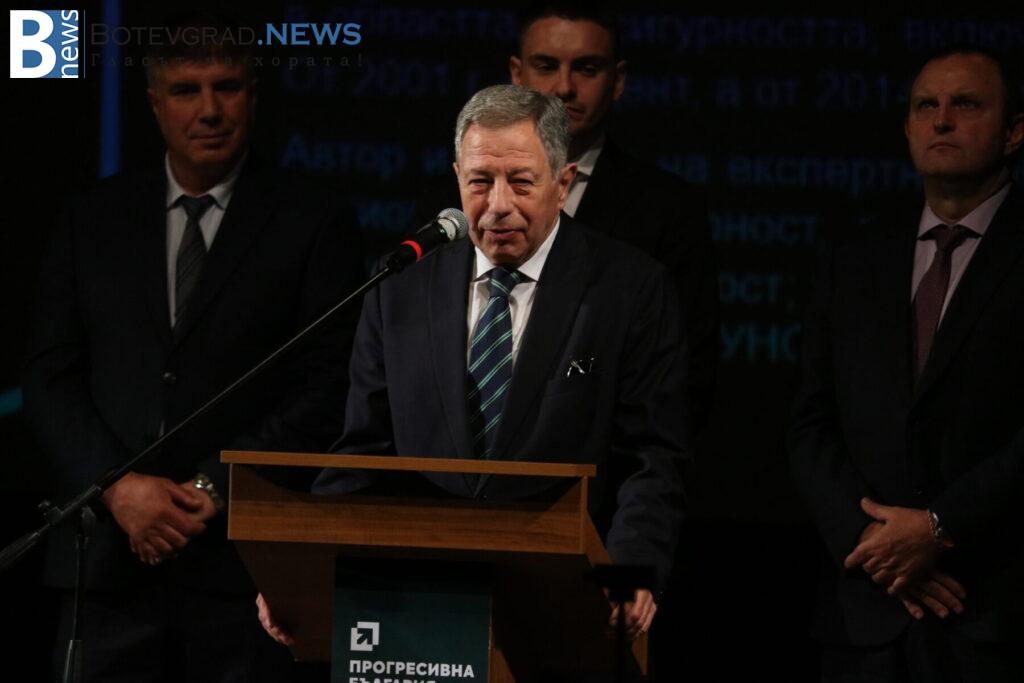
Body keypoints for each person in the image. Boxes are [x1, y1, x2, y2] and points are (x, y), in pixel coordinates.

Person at [259, 84, 690, 648]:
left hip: (565, 599)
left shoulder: (629, 289)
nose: (498, 204)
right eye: (480, 181)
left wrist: (633, 566)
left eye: (521, 182)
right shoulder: (399, 286)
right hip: (422, 602)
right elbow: (364, 452)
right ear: (457, 177)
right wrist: (304, 568)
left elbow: (651, 457)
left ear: (563, 183)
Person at [22, 14, 362, 681]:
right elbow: (49, 374)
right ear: (155, 102)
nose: (209, 109)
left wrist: (214, 486)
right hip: (109, 564)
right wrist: (116, 487)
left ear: (252, 95)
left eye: (226, 87)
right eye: (186, 90)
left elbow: (329, 381)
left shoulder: (312, 218)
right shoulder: (92, 217)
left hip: (244, 571)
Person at [788, 46, 1024, 681]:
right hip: (864, 611)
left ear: (1013, 132)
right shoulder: (855, 255)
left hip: (993, 610)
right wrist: (876, 546)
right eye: (926, 106)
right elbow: (810, 422)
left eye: (965, 104)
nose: (941, 119)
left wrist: (940, 528)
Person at [415, 2, 718, 433]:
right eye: (546, 66)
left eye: (587, 69)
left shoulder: (667, 211)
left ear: (617, 80)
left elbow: (684, 383)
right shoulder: (446, 205)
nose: (564, 87)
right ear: (517, 73)